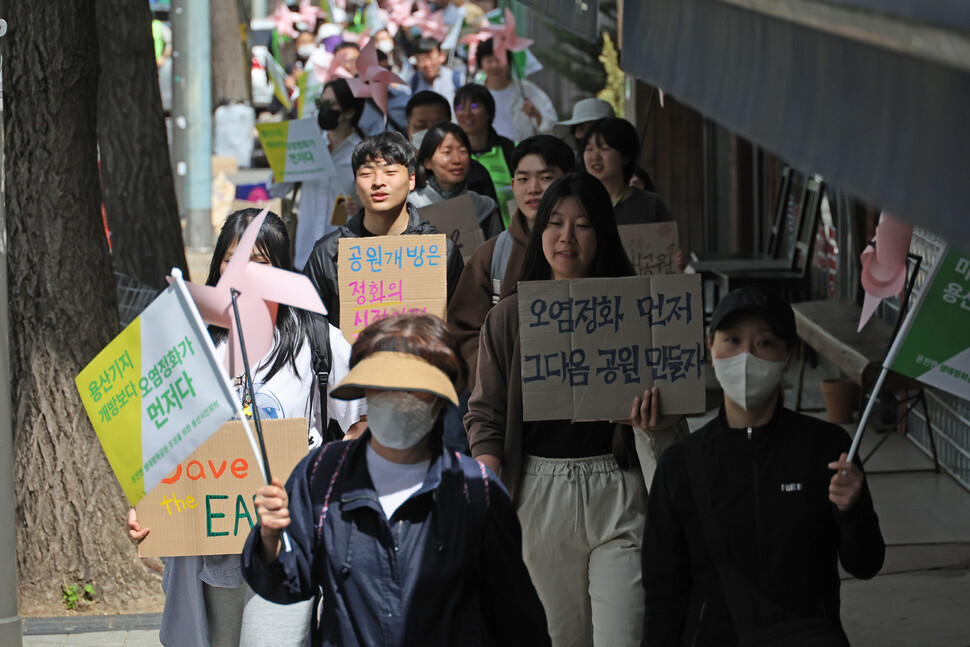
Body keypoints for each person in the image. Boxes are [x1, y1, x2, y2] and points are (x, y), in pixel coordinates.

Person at [128, 208, 366, 647]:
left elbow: (361, 423)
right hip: (213, 540)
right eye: (231, 260)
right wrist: (150, 507)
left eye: (259, 260)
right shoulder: (194, 341)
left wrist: (325, 485)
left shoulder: (319, 339)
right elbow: (166, 441)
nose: (243, 273)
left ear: (282, 268)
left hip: (290, 539)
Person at [466, 173, 686, 647]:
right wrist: (487, 467)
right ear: (539, 229)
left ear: (603, 232)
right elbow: (484, 412)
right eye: (556, 223)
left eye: (583, 224)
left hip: (621, 488)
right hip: (537, 494)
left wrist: (657, 419)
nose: (567, 237)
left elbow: (677, 403)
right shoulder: (507, 317)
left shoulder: (642, 309)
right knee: (556, 637)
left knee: (624, 636)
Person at [242, 314, 552, 647]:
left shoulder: (476, 491)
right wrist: (270, 538)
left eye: (414, 391)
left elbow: (517, 620)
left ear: (439, 401)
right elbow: (286, 583)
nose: (396, 401)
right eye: (383, 388)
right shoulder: (323, 474)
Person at [642, 288, 885, 646]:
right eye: (733, 340)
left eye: (765, 343)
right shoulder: (681, 464)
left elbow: (865, 564)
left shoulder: (827, 449)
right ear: (710, 348)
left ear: (788, 356)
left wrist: (853, 511)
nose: (745, 357)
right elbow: (663, 591)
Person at [448, 134, 574, 393]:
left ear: (569, 181)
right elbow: (464, 330)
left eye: (546, 178)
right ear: (513, 184)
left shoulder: (587, 247)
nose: (534, 188)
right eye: (523, 179)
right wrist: (487, 379)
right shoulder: (493, 254)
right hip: (504, 397)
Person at [302, 131, 464, 324]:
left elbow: (460, 326)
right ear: (356, 183)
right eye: (366, 173)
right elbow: (309, 329)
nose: (378, 182)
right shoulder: (329, 254)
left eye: (390, 172)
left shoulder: (441, 254)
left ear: (412, 180)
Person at [290, 78, 366, 268]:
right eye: (321, 103)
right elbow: (277, 189)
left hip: (344, 255)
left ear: (349, 112)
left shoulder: (364, 153)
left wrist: (362, 210)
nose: (324, 110)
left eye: (330, 104)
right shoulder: (309, 145)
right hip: (305, 253)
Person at [409, 121, 502, 239]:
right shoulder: (411, 207)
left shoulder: (484, 207)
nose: (457, 160)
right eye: (447, 152)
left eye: (463, 151)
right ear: (427, 162)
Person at [405, 90, 497, 201]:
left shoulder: (476, 174)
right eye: (421, 126)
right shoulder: (401, 176)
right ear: (409, 131)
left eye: (438, 125)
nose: (429, 132)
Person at [454, 83, 515, 227]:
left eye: (474, 107)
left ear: (490, 112)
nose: (467, 113)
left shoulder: (509, 150)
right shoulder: (452, 156)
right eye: (461, 108)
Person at [476, 37, 557, 142]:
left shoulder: (528, 91)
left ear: (509, 62)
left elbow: (552, 127)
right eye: (489, 61)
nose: (494, 65)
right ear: (481, 65)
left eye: (499, 59)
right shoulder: (476, 94)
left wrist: (537, 116)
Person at [408, 37, 464, 107]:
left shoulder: (457, 79)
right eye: (422, 59)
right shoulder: (412, 84)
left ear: (441, 56)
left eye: (430, 58)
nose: (427, 64)